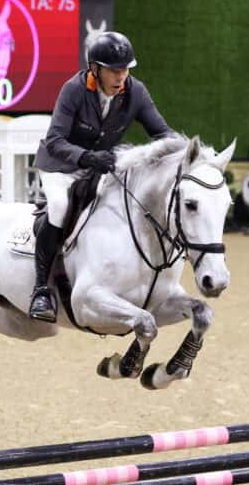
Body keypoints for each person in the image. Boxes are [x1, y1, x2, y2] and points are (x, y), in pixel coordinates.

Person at [28, 31, 173, 322]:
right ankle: (41, 289)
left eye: (125, 69)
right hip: (61, 166)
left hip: (99, 166)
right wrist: (87, 157)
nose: (122, 76)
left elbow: (162, 133)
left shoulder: (136, 92)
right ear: (95, 68)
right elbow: (55, 140)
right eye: (115, 70)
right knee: (59, 208)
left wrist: (181, 154)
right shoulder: (74, 89)